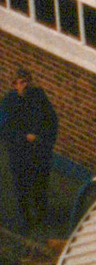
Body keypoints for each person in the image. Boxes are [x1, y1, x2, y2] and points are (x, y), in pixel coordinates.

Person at [1, 68, 56, 233]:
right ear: (14, 85)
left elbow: (51, 119)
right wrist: (24, 137)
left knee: (40, 183)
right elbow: (4, 129)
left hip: (39, 151)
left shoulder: (38, 96)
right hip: (20, 153)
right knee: (23, 186)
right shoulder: (8, 103)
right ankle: (26, 220)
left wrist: (45, 141)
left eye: (28, 81)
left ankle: (42, 215)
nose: (26, 85)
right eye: (22, 82)